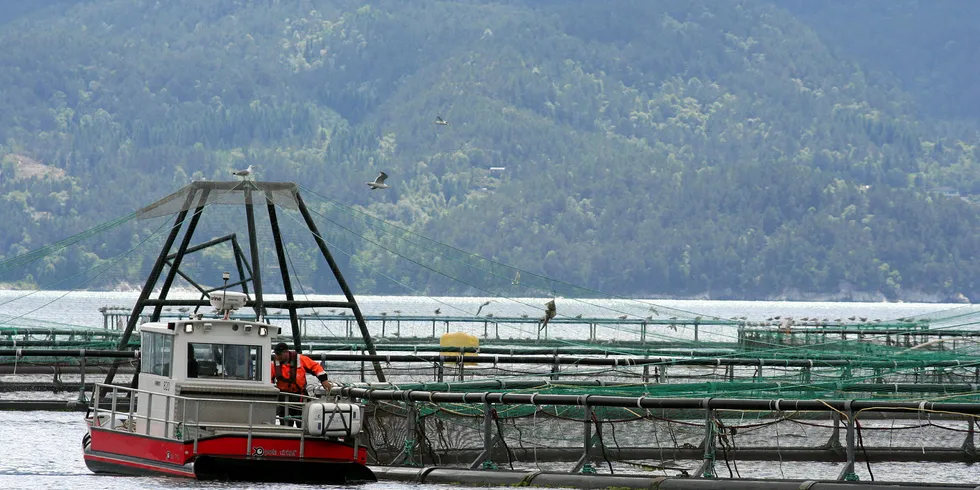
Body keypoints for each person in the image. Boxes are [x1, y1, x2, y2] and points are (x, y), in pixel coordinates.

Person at [270, 342, 332, 427]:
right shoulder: (274, 365)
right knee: (285, 423)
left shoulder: (300, 359)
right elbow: (269, 379)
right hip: (284, 398)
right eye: (276, 354)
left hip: (299, 397)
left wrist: (324, 380)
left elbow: (315, 367)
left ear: (286, 352)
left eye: (278, 354)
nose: (277, 356)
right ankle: (287, 437)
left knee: (302, 422)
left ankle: (303, 437)